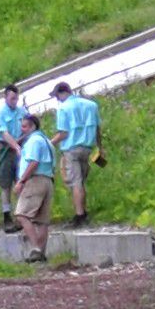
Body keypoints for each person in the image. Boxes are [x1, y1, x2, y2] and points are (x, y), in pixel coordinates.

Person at [48, 80, 102, 222]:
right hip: (87, 148)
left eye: (57, 96)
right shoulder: (91, 105)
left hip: (71, 149)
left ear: (61, 93)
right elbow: (97, 128)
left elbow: (63, 133)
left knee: (75, 182)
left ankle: (80, 215)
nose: (57, 100)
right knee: (81, 181)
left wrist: (48, 143)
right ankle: (83, 211)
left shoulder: (63, 108)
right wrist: (100, 148)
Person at [11, 114, 59, 261]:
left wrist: (21, 181)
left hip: (35, 180)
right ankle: (41, 254)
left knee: (21, 214)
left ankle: (37, 248)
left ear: (33, 126)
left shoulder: (34, 141)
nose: (22, 129)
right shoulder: (47, 142)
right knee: (41, 220)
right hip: (48, 180)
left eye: (25, 126)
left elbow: (33, 163)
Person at [0, 83, 29, 229]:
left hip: (20, 149)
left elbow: (28, 128)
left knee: (20, 181)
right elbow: (3, 133)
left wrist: (21, 143)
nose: (14, 102)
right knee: (5, 184)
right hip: (6, 150)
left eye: (16, 99)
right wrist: (15, 146)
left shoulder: (22, 112)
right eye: (12, 98)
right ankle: (7, 217)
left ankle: (21, 217)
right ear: (5, 97)